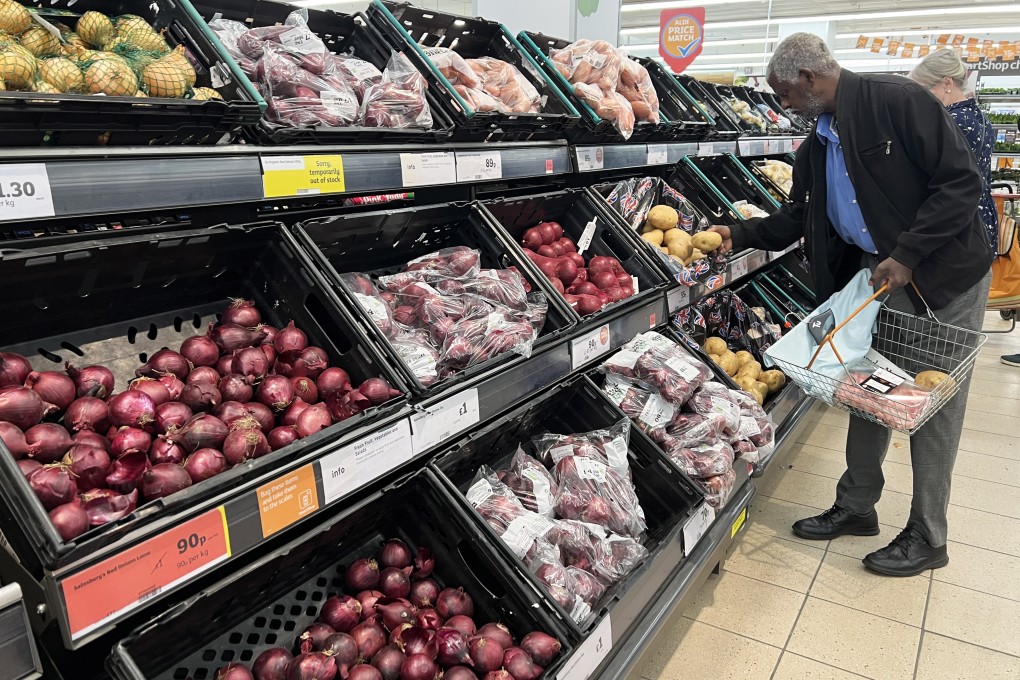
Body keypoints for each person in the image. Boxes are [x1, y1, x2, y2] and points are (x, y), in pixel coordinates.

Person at [709, 33, 992, 577]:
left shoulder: (899, 102)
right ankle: (857, 506)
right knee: (863, 387)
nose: (782, 104)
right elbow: (799, 218)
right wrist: (738, 232)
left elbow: (961, 184)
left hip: (940, 276)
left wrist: (908, 253)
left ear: (811, 79)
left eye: (786, 94)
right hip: (874, 278)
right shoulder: (815, 143)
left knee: (929, 400)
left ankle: (928, 534)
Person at [909, 49, 998, 257]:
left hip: (960, 227)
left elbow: (943, 181)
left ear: (947, 83)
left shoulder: (952, 122)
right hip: (978, 217)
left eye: (924, 89)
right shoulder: (976, 116)